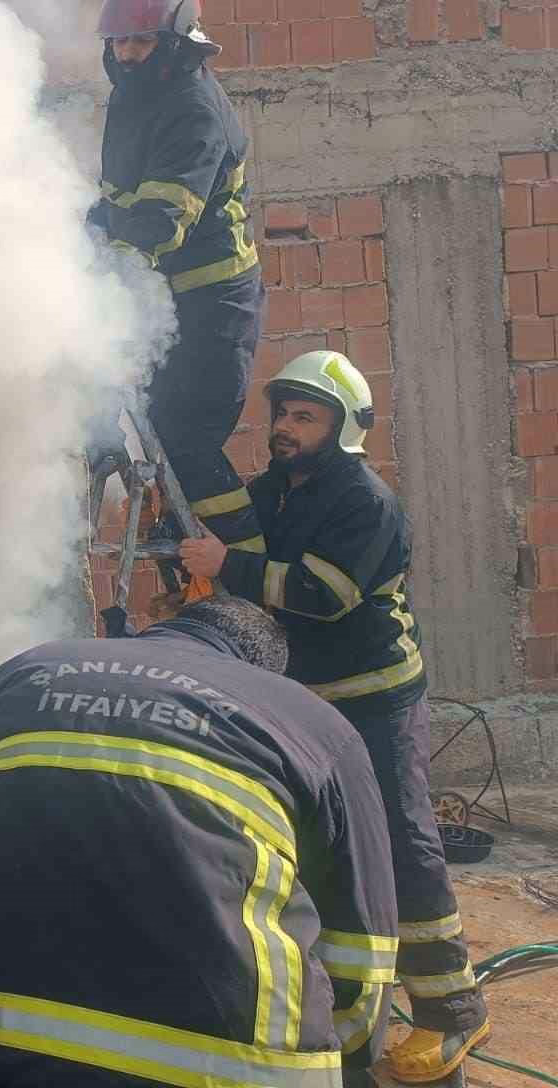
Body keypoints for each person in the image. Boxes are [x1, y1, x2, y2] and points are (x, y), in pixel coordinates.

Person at [0, 594, 397, 1088]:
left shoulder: (22, 674)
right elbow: (361, 959)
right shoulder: (313, 726)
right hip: (239, 1072)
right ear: (264, 671)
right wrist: (343, 1053)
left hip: (2, 1056)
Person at [179, 350, 490, 1084]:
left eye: (304, 417)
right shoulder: (278, 490)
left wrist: (227, 565)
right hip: (303, 699)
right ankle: (343, 1001)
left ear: (343, 428)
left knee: (403, 849)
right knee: (316, 854)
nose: (284, 428)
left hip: (372, 698)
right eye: (282, 414)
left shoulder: (365, 501)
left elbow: (324, 594)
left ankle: (453, 1013)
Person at [87, 0, 264, 554]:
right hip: (167, 300)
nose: (128, 53)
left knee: (186, 440)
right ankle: (188, 563)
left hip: (214, 308)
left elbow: (162, 223)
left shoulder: (193, 108)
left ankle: (241, 558)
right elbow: (119, 200)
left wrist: (94, 263)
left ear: (176, 40)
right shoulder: (133, 97)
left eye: (142, 40)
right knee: (159, 431)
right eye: (119, 41)